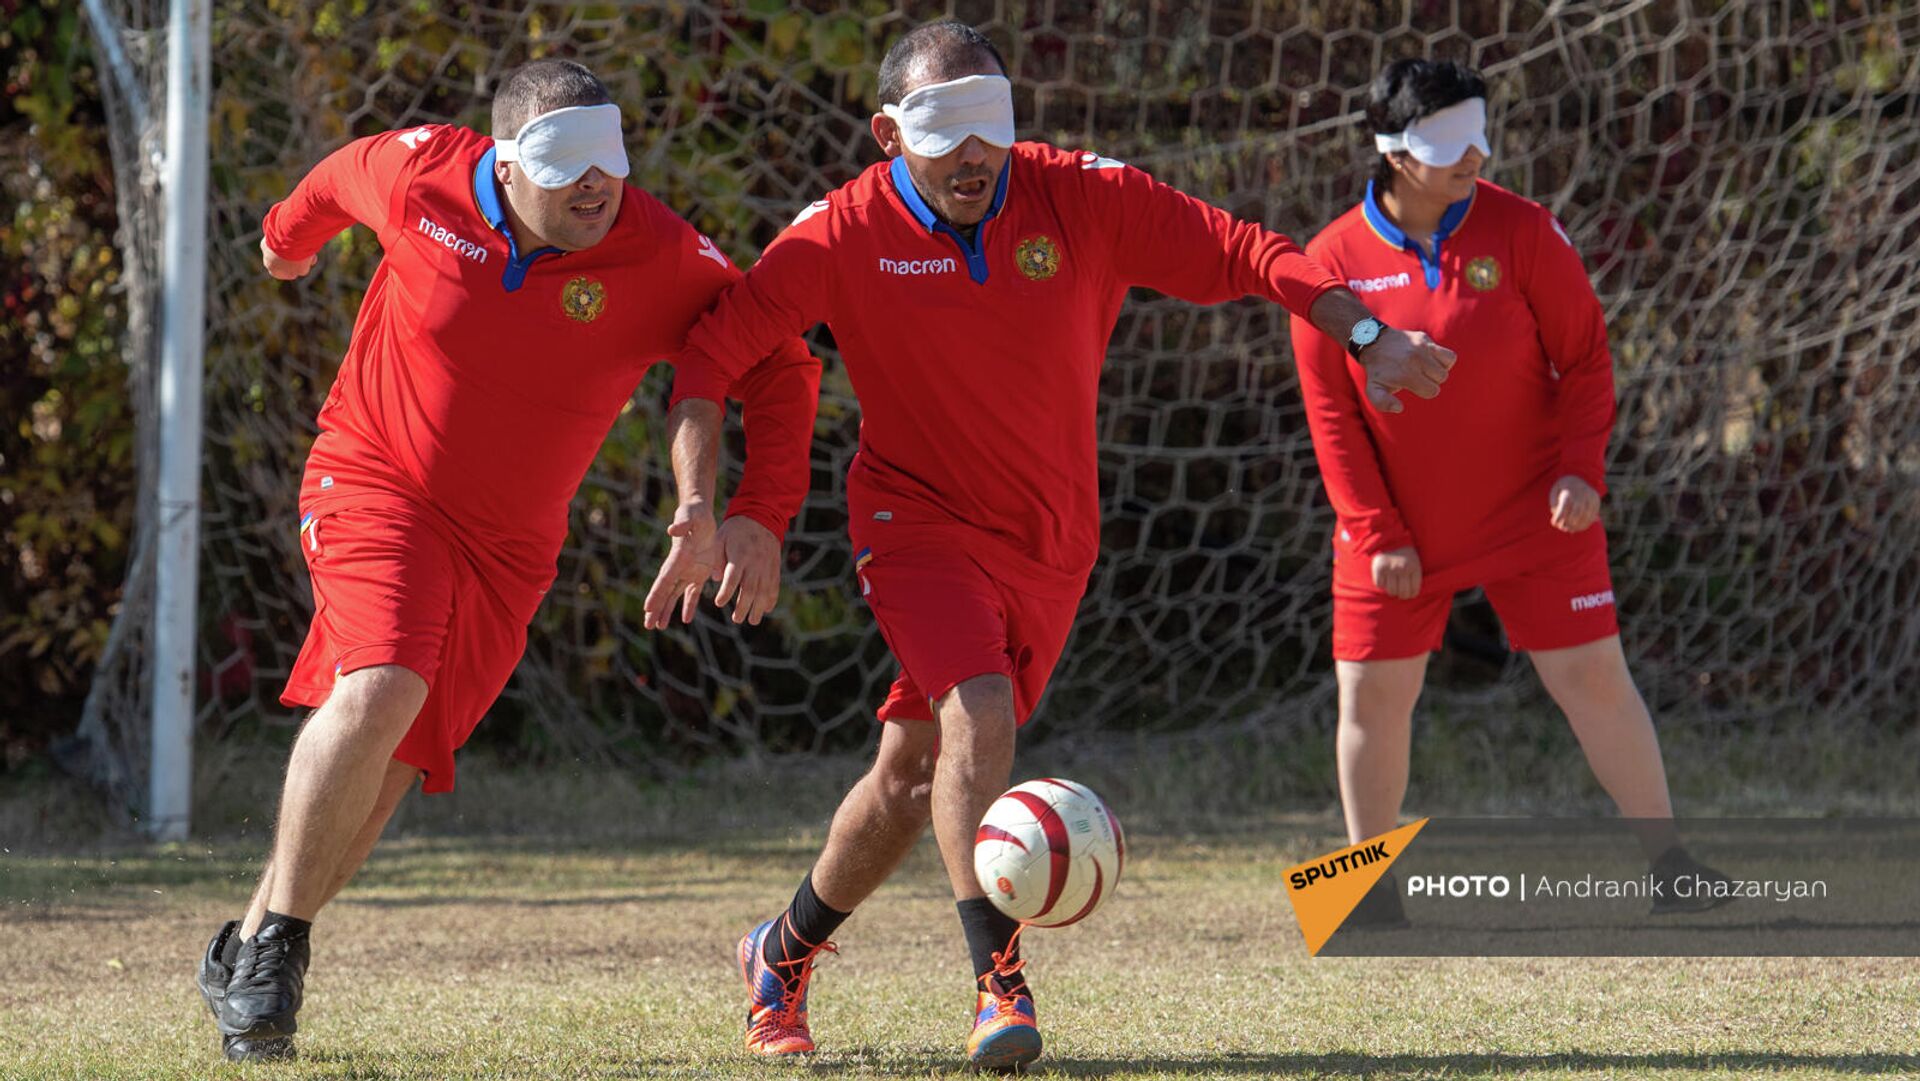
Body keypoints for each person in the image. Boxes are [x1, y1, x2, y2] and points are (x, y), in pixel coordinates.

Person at [641, 21, 1456, 1071]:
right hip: (912, 520)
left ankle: (780, 954)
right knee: (978, 718)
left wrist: (1366, 332)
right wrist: (710, 507)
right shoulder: (838, 235)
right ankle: (999, 984)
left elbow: (1250, 253)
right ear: (888, 133)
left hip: (1051, 537)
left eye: (994, 122)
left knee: (908, 774)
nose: (977, 152)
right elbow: (711, 359)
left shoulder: (1081, 197)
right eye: (947, 130)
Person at [192, 60, 819, 1062]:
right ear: (505, 160)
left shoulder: (658, 253)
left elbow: (779, 363)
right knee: (384, 682)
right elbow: (330, 183)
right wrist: (282, 243)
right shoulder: (421, 175)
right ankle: (279, 951)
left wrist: (758, 512)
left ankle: (247, 946)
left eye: (606, 164)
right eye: (565, 166)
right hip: (374, 479)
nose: (592, 188)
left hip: (508, 553)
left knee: (390, 771)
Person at [1288, 58, 1726, 924]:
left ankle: (1672, 864)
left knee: (1596, 676)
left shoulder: (1524, 231)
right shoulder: (1329, 261)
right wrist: (1378, 534)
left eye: (1480, 132)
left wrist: (1579, 470)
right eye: (1450, 141)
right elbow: (1330, 417)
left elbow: (1587, 360)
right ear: (1396, 152)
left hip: (1537, 511)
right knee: (1372, 696)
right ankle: (1366, 892)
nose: (1476, 155)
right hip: (1399, 535)